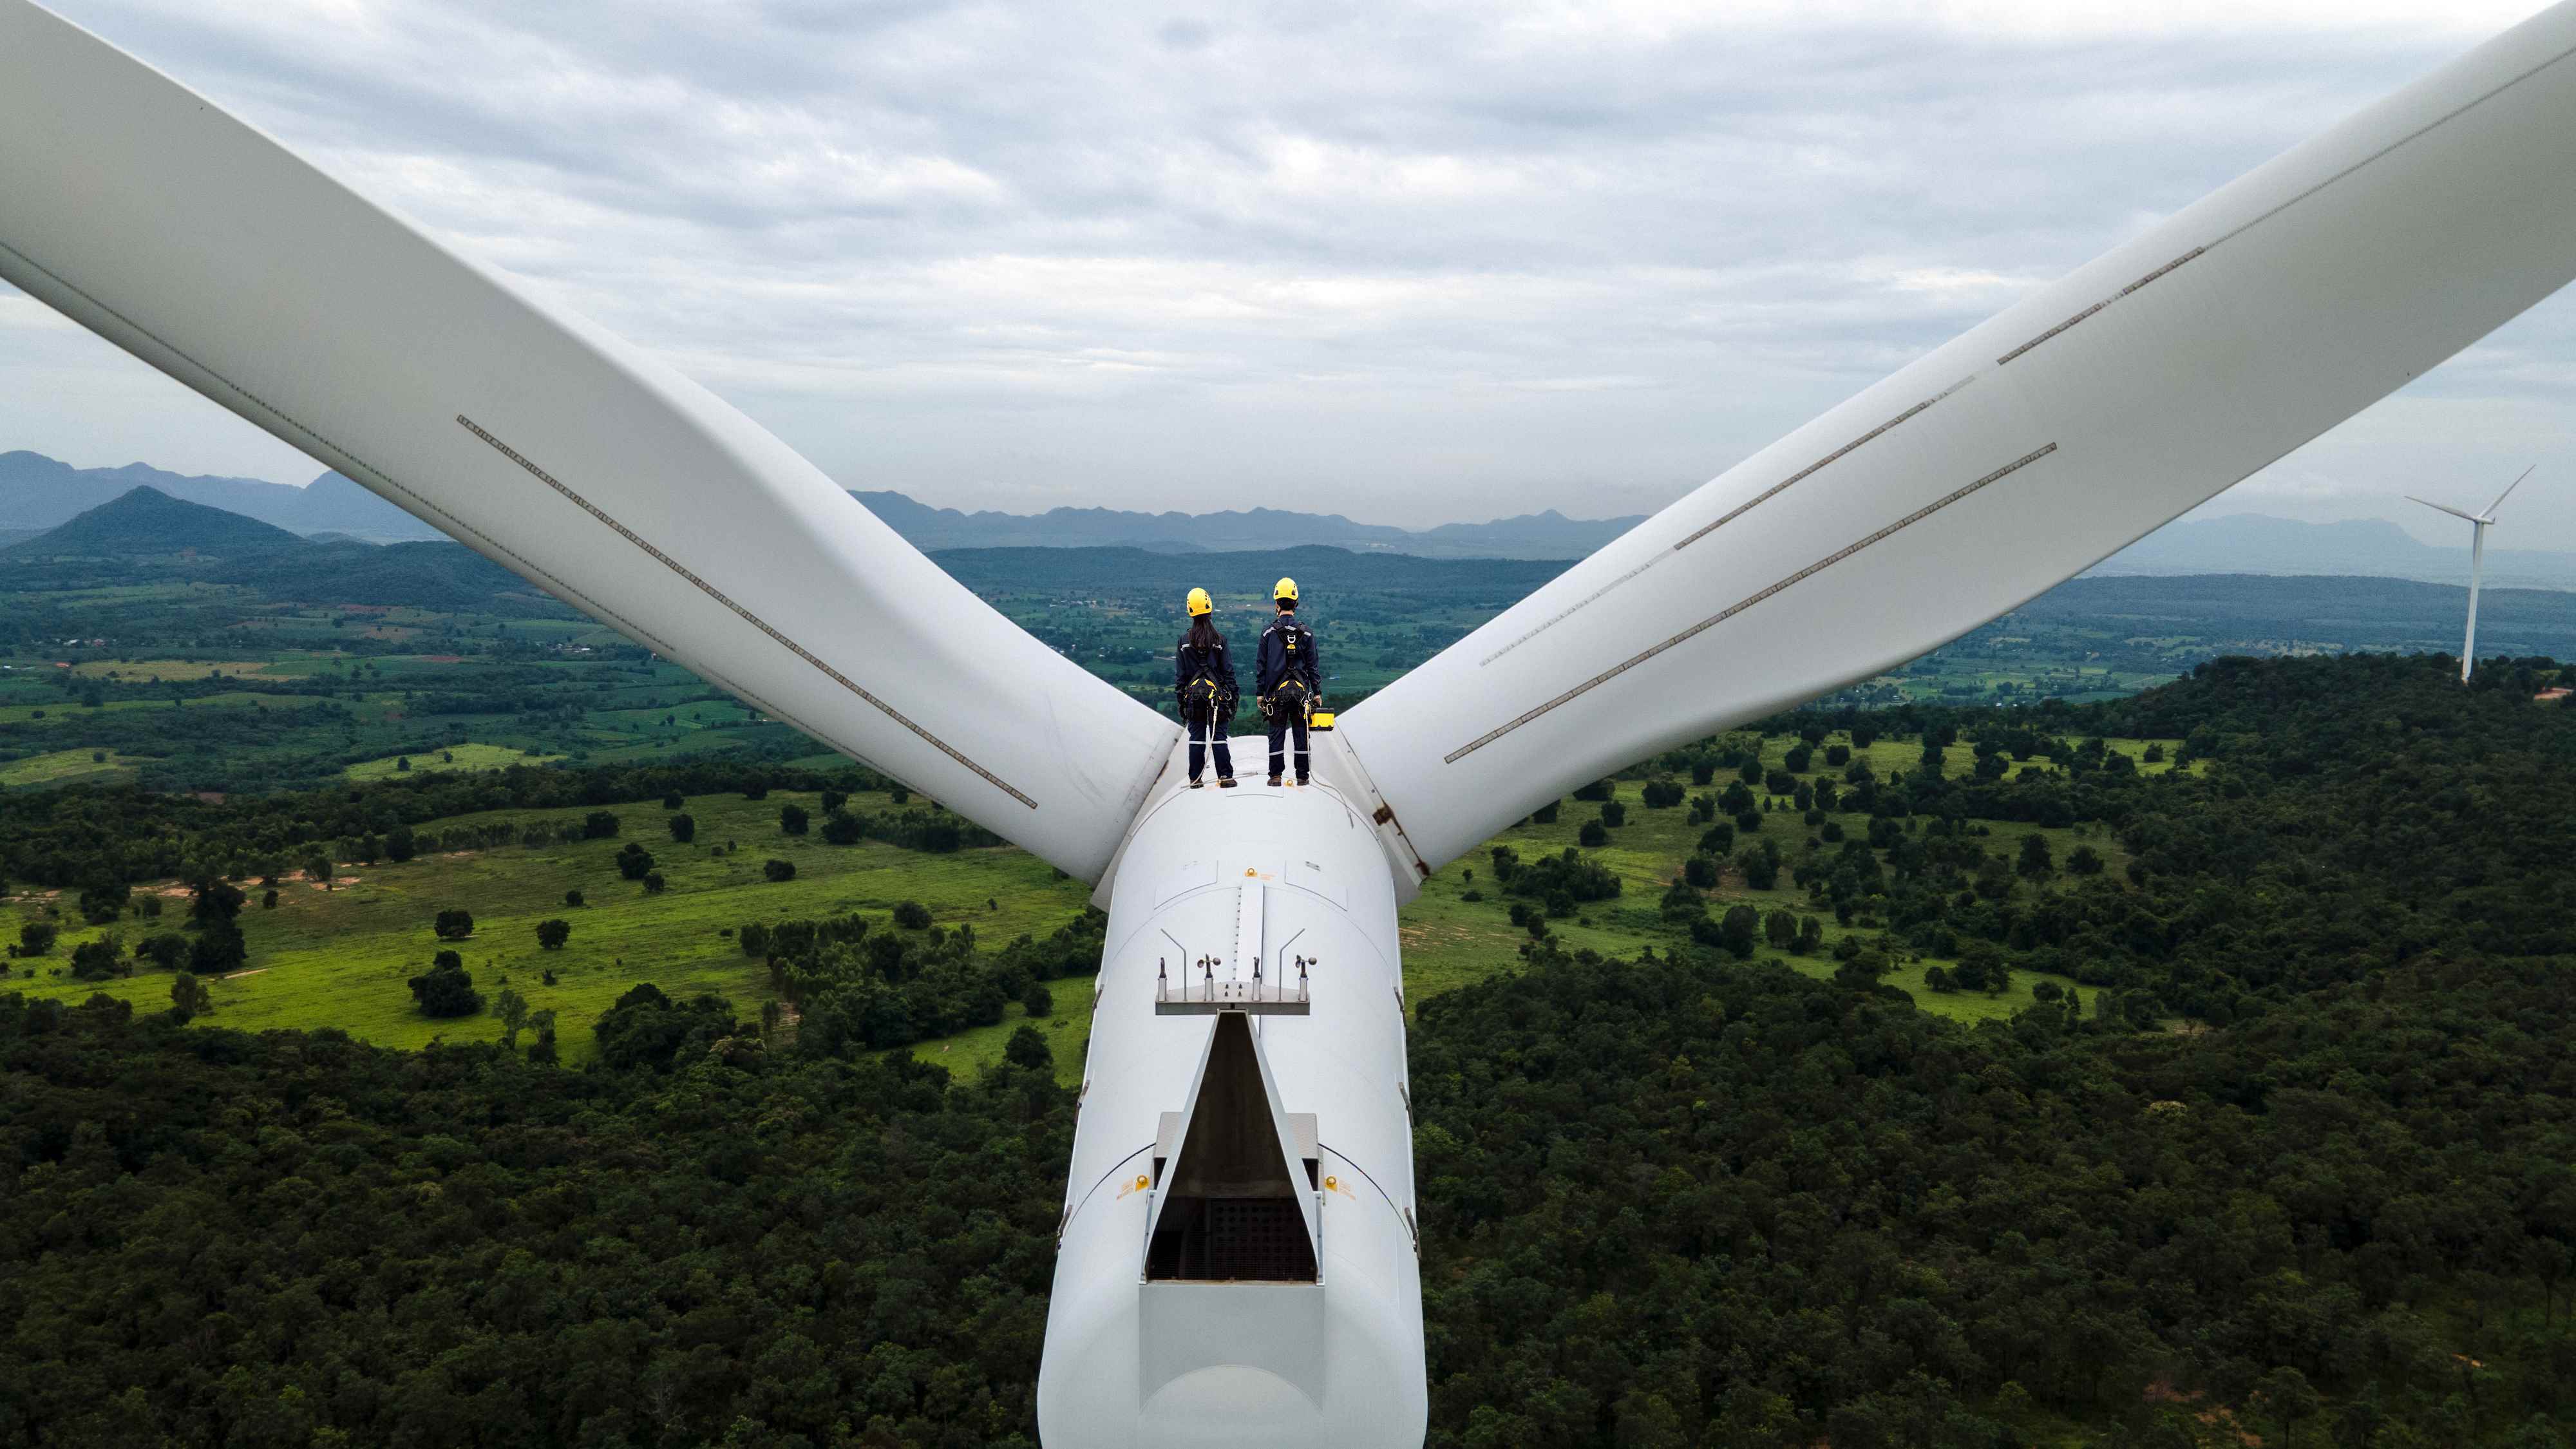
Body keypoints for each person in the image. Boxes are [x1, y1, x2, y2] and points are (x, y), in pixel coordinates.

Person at [1256, 576, 1320, 787]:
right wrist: (1317, 692)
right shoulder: (1307, 633)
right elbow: (1313, 666)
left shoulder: (1268, 632)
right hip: (1301, 694)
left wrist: (1260, 693)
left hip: (1276, 694)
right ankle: (1302, 776)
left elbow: (1262, 666)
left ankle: (1275, 776)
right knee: (1301, 733)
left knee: (1276, 734)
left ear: (1277, 603)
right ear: (1296, 603)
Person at [1173, 586, 1237, 789]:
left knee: (1197, 737)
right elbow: (1228, 673)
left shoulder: (1184, 641)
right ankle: (1225, 776)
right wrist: (1234, 698)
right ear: (1210, 608)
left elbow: (1181, 676)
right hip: (1216, 698)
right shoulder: (1219, 640)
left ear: (1190, 610)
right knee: (1219, 736)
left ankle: (1195, 778)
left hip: (1193, 699)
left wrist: (1181, 701)